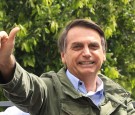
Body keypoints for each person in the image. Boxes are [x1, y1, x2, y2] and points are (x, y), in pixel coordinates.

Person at [0, 19, 135, 115]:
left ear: (103, 54)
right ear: (63, 55)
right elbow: (25, 88)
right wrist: (6, 62)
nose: (87, 53)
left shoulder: (121, 99)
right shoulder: (47, 91)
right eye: (77, 47)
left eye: (93, 46)